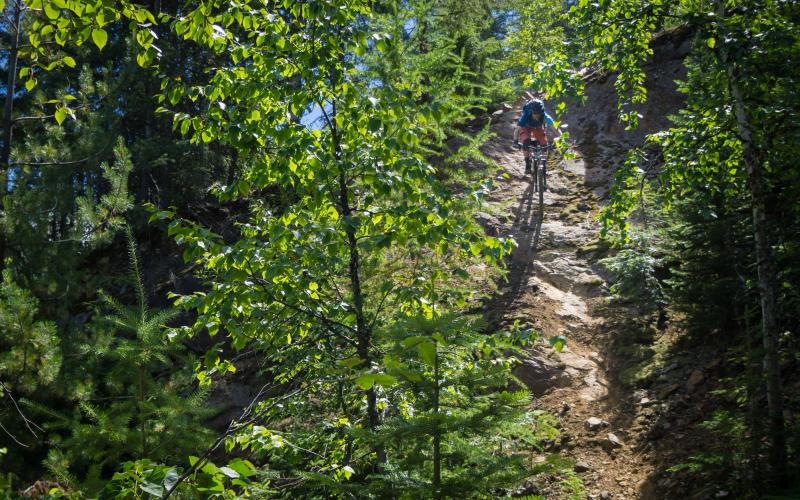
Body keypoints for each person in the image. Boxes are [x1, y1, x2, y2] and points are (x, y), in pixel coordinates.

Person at [513, 98, 561, 174]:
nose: (537, 116)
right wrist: (515, 141)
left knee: (544, 144)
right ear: (531, 112)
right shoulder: (526, 115)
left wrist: (561, 138)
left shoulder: (544, 116)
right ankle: (527, 164)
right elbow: (517, 129)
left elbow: (555, 127)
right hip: (526, 126)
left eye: (539, 114)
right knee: (525, 142)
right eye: (535, 114)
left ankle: (544, 165)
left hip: (538, 127)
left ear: (541, 112)